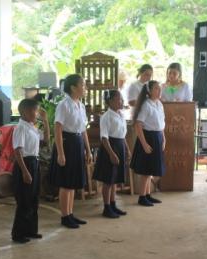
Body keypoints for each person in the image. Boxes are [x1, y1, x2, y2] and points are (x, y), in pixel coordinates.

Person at [50, 74, 92, 228]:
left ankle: (71, 213)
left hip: (78, 143)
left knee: (73, 182)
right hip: (67, 144)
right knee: (66, 182)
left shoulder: (80, 105)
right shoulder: (64, 105)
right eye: (83, 85)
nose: (85, 88)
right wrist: (60, 153)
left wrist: (88, 150)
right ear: (73, 87)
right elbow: (58, 129)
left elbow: (83, 130)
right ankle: (64, 216)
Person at [11, 99, 50, 243]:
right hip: (25, 164)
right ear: (25, 112)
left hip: (34, 162)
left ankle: (31, 230)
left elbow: (45, 140)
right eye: (35, 111)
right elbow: (17, 151)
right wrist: (25, 171)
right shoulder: (20, 128)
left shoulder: (31, 127)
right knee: (24, 200)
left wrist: (45, 121)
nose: (37, 114)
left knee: (34, 199)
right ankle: (18, 234)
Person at [93, 90, 131, 218]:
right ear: (110, 101)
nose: (122, 101)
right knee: (108, 180)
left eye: (121, 99)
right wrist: (111, 154)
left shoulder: (120, 114)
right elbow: (104, 138)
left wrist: (127, 149)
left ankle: (113, 204)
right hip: (110, 148)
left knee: (115, 180)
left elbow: (122, 135)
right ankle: (106, 207)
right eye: (118, 99)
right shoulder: (106, 116)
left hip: (119, 146)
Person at [130, 80, 165, 206]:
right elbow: (138, 125)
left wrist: (163, 138)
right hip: (148, 137)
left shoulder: (159, 104)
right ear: (149, 91)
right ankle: (142, 197)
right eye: (156, 88)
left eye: (159, 88)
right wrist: (144, 144)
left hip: (157, 137)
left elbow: (161, 124)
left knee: (151, 169)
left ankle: (148, 194)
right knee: (145, 171)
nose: (159, 90)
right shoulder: (146, 105)